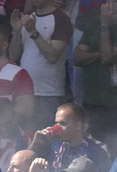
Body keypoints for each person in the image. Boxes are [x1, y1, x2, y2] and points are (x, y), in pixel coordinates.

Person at [73, 0, 117, 155]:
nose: (109, 3)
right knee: (90, 151)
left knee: (115, 151)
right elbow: (77, 58)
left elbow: (108, 57)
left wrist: (105, 27)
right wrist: (98, 54)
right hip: (92, 102)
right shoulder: (94, 23)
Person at [8, 0, 71, 131]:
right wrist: (16, 32)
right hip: (23, 93)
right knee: (22, 140)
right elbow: (14, 56)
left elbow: (53, 56)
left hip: (47, 93)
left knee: (44, 142)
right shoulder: (27, 17)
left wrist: (33, 31)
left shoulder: (61, 19)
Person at [29, 103, 111, 172]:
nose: (56, 128)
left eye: (63, 123)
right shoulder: (53, 145)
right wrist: (35, 144)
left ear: (78, 126)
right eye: (56, 123)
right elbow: (23, 162)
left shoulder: (96, 152)